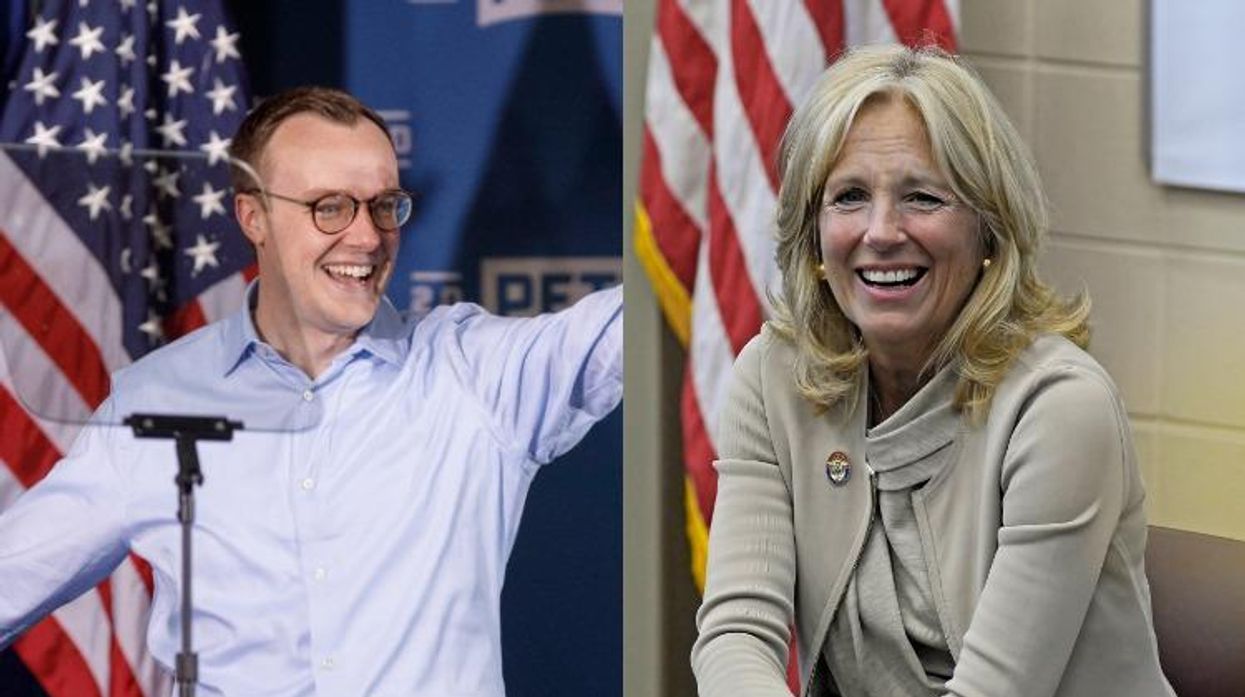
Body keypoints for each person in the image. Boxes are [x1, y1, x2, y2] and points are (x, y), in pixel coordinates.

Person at [0, 87, 622, 696]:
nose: (368, 237)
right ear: (254, 216)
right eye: (331, 207)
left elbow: (634, 322)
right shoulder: (158, 404)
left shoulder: (476, 375)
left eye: (385, 205)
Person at [691, 45, 1173, 697]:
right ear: (812, 237)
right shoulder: (773, 377)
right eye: (849, 197)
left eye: (922, 197)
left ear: (988, 231)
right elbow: (736, 634)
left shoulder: (1059, 407)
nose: (882, 230)